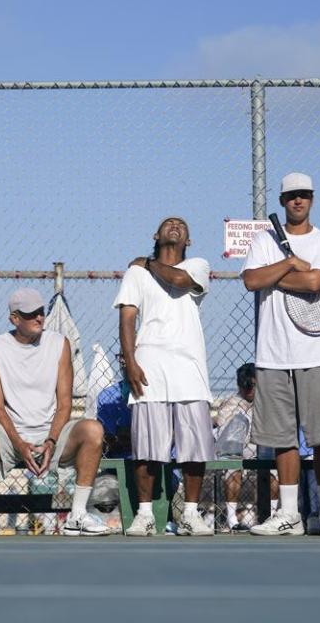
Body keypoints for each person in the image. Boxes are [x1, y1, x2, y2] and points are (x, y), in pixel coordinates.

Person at [0, 288, 112, 536]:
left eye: (41, 312)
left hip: (53, 435)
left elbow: (64, 404)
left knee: (93, 429)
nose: (39, 318)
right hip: (10, 439)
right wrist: (19, 443)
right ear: (14, 319)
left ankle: (78, 516)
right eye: (31, 314)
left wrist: (51, 440)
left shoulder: (60, 343)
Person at [241, 172, 320, 536]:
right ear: (283, 202)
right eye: (290, 196)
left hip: (316, 354)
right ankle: (291, 516)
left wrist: (275, 275)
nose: (297, 201)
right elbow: (252, 280)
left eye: (304, 195)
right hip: (272, 355)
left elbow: (317, 281)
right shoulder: (263, 239)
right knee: (283, 438)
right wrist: (289, 264)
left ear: (312, 199)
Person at [115, 216, 215, 537]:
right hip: (149, 369)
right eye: (168, 224)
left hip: (190, 370)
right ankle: (144, 515)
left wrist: (147, 261)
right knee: (146, 449)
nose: (175, 227)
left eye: (182, 225)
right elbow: (127, 317)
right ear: (155, 234)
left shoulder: (198, 265)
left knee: (194, 449)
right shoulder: (135, 274)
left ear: (189, 240)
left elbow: (178, 281)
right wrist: (130, 361)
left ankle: (190, 514)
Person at [214, 362, 279, 532]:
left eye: (253, 385)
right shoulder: (231, 402)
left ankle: (272, 515)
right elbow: (225, 435)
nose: (249, 389)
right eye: (245, 385)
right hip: (238, 449)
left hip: (263, 447)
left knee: (274, 470)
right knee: (232, 468)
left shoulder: (268, 401)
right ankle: (232, 519)